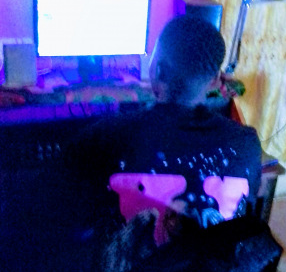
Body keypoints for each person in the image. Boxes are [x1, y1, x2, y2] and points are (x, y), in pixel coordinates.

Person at [67, 15, 262, 232]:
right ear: (216, 80)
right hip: (214, 255)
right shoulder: (246, 143)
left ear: (157, 70)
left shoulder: (102, 137)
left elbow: (65, 210)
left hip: (130, 255)